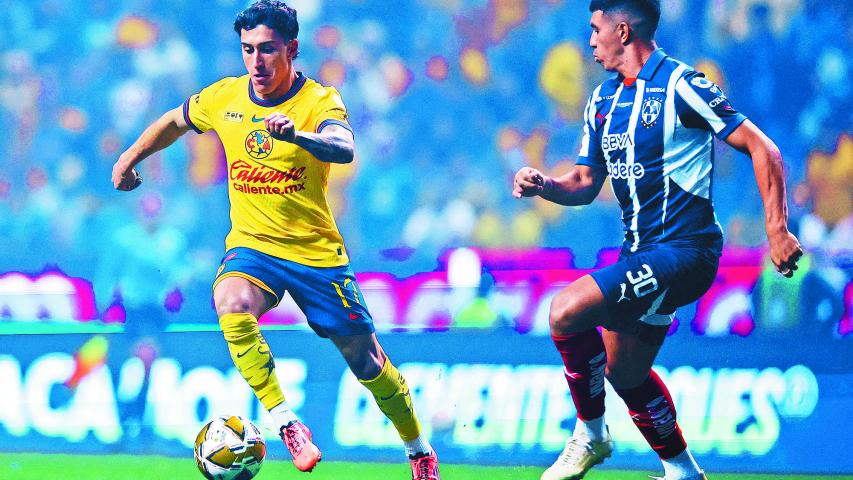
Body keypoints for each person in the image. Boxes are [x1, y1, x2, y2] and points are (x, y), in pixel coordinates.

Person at [111, 2, 440, 479]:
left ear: (292, 48)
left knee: (367, 362)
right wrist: (129, 157)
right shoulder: (224, 97)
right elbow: (175, 120)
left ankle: (419, 450)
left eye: (267, 49)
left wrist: (300, 136)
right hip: (253, 247)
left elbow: (344, 147)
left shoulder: (319, 100)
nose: (256, 62)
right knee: (229, 300)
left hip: (315, 254)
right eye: (247, 50)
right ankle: (287, 424)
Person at [511, 1, 802, 479]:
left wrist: (776, 228)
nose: (589, 41)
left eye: (595, 29)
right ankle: (683, 471)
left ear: (622, 30)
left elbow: (762, 146)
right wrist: (546, 184)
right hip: (642, 254)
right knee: (624, 373)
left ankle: (590, 435)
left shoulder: (684, 85)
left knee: (565, 310)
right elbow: (586, 182)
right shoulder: (602, 101)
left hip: (687, 251)